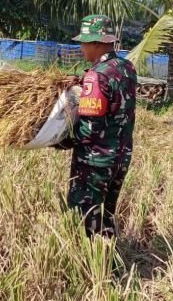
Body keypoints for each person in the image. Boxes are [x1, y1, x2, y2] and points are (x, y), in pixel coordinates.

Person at [55, 15, 137, 238]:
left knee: (85, 219)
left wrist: (59, 141)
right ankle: (108, 265)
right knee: (106, 215)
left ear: (96, 43)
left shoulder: (96, 75)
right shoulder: (127, 67)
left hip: (95, 161)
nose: (81, 47)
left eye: (83, 42)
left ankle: (90, 267)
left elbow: (90, 129)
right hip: (121, 157)